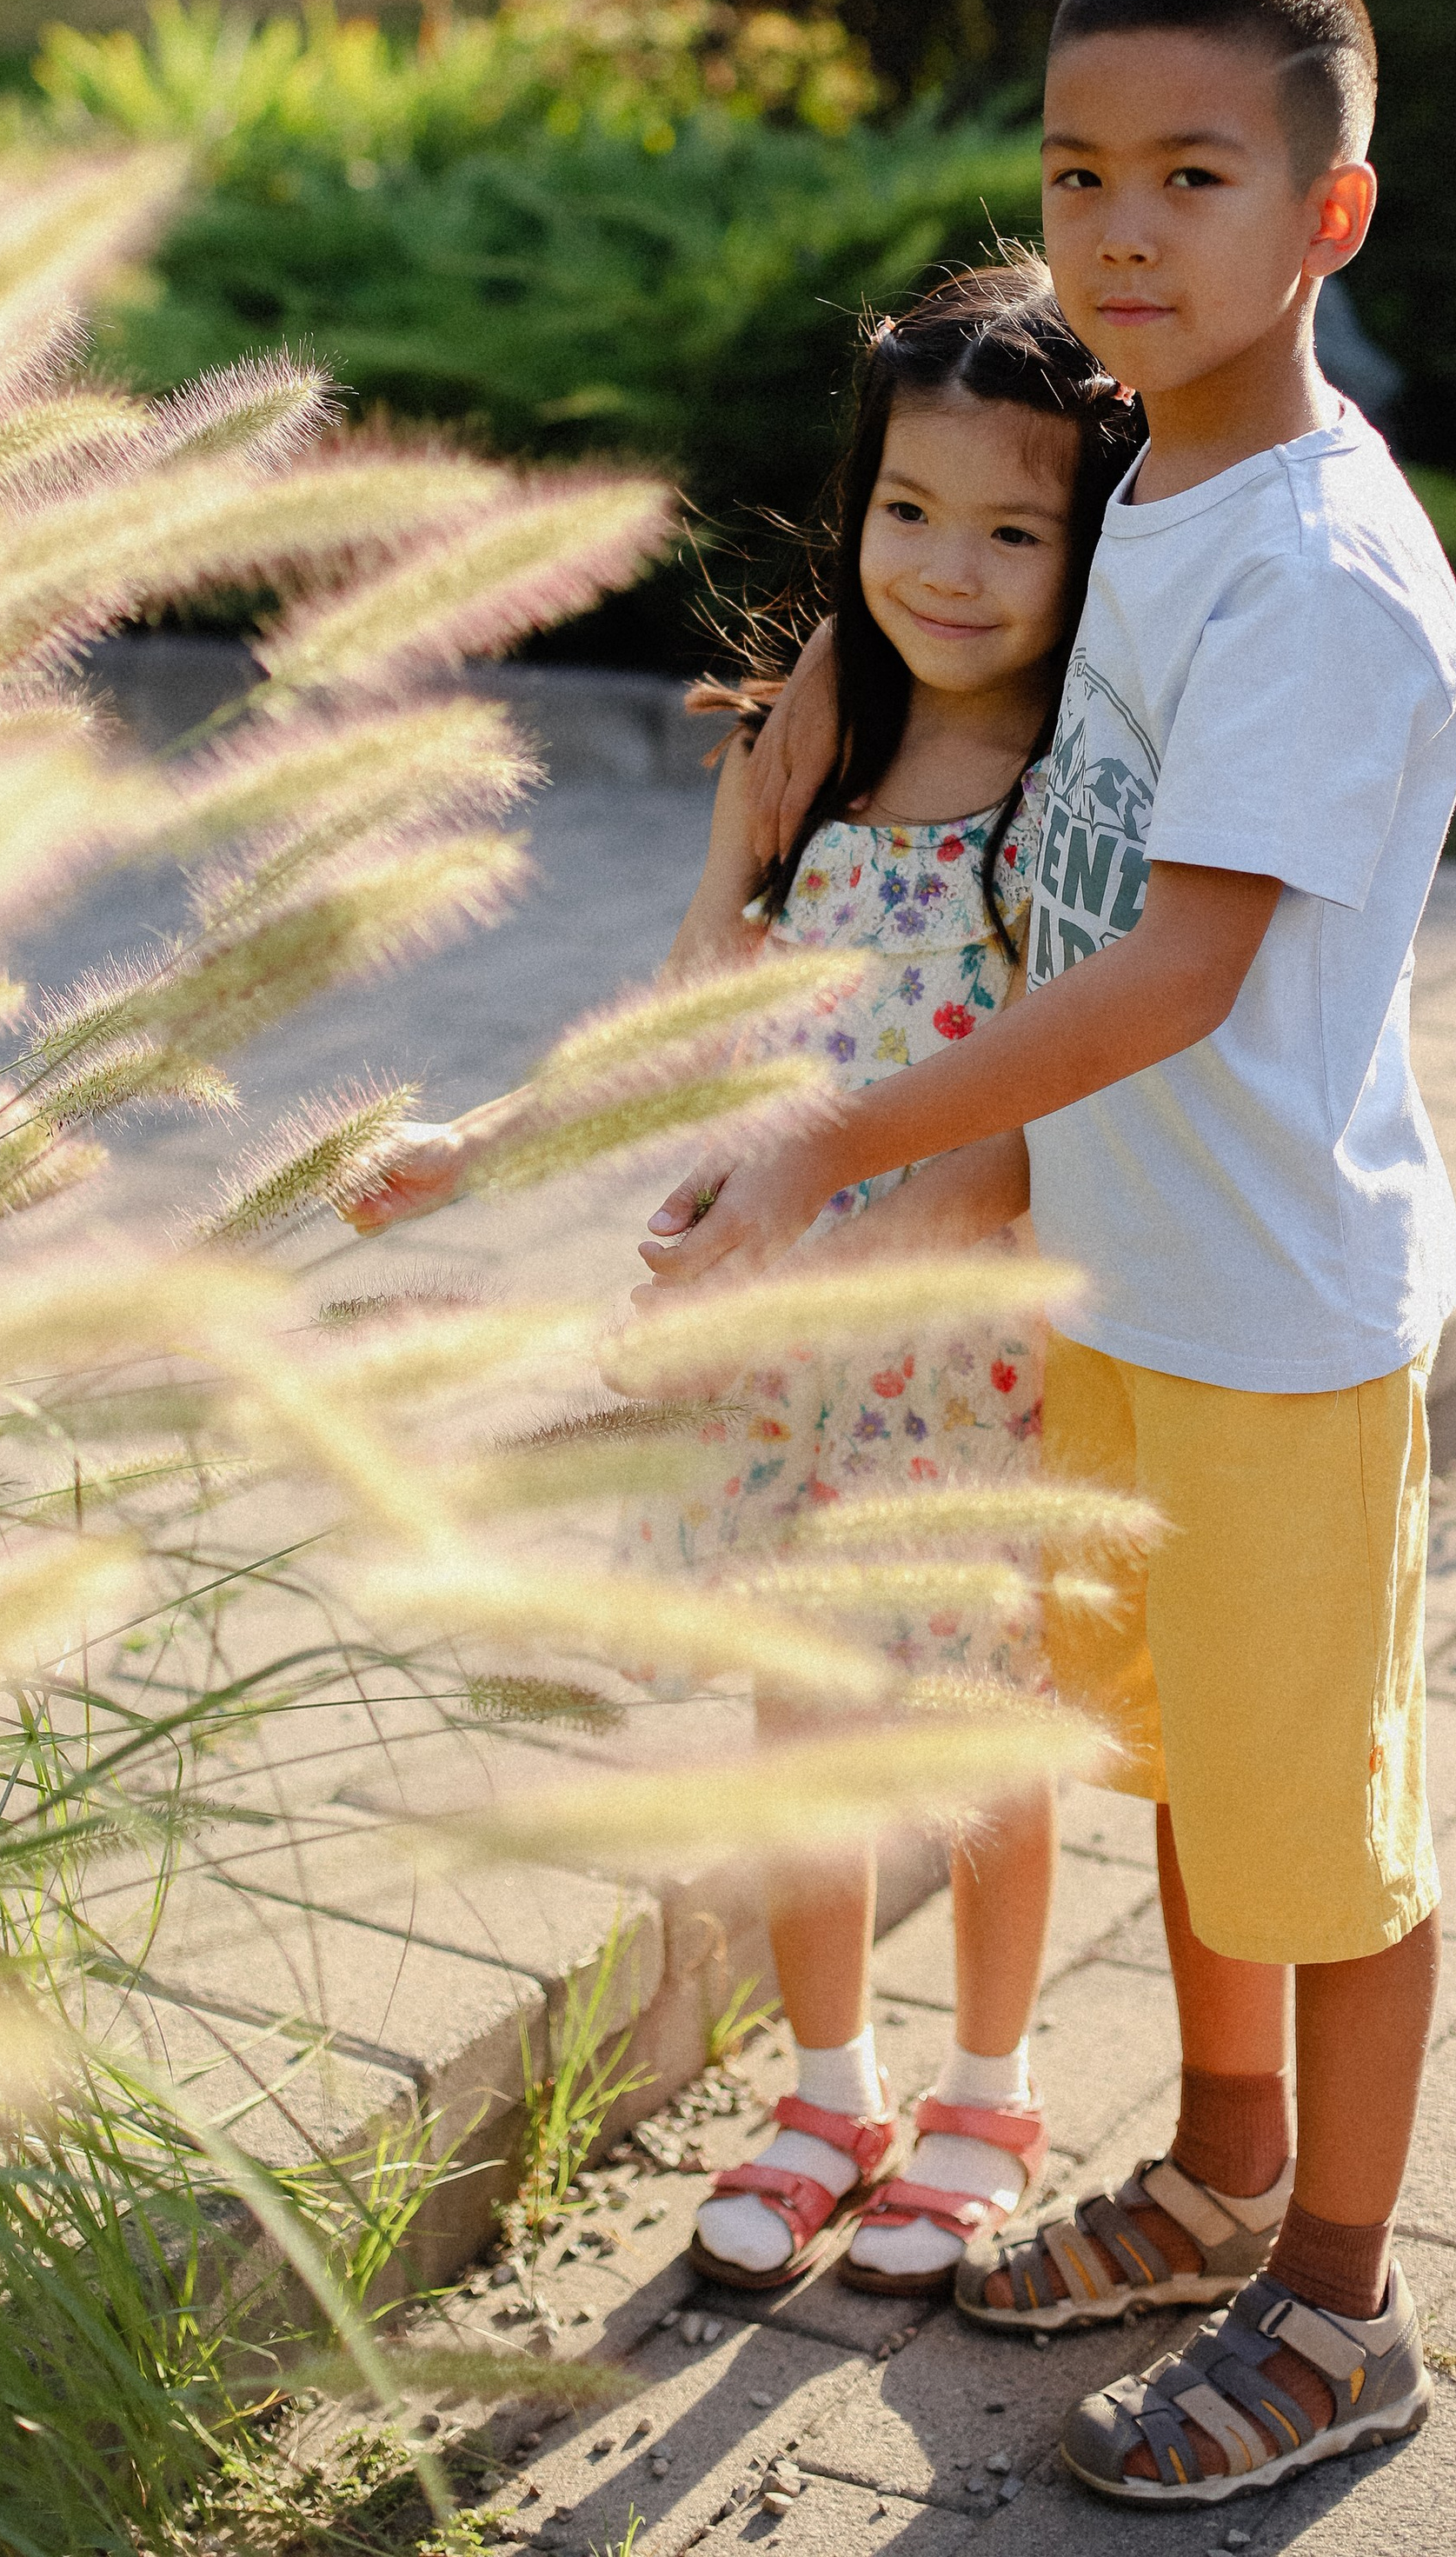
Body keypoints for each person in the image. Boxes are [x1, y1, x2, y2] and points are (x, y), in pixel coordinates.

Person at [642, 0, 1456, 2510]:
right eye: (1078, 171)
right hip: (1124, 1292)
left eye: (1194, 179)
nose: (1123, 229)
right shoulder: (1158, 492)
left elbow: (1181, 975)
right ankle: (1222, 2167)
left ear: (1328, 220)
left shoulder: (1317, 572)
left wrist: (837, 1146)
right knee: (1191, 1784)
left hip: (1273, 1319)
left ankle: (1339, 2301)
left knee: (1316, 1827)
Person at [354, 261, 1142, 2301]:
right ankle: (827, 2088)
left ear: (1087, 543)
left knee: (973, 1741)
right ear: (852, 500)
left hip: (964, 1357)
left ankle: (988, 2082)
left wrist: (852, 1231)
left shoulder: (1073, 792)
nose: (946, 569)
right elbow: (689, 1001)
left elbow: (1063, 1096)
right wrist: (487, 1139)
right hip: (784, 1360)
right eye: (907, 511)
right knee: (793, 1727)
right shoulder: (808, 735)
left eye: (1009, 529)